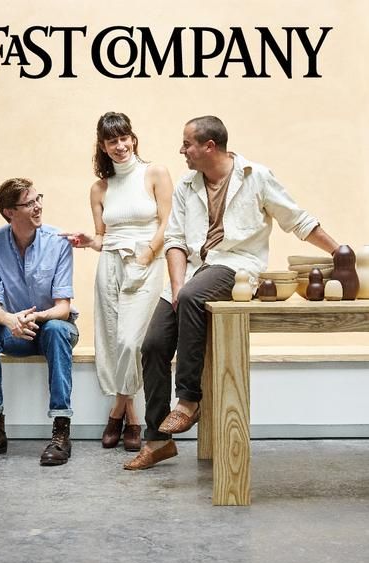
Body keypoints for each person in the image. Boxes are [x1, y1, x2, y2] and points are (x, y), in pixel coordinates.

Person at [124, 115, 339, 470]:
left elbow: (297, 219)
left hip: (236, 265)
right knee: (153, 346)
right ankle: (158, 440)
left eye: (187, 144)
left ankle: (189, 399)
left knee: (193, 295)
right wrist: (176, 286)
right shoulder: (186, 185)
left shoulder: (256, 177)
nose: (182, 150)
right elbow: (175, 241)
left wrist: (339, 252)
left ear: (210, 146)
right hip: (192, 270)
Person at [61, 112, 172, 451]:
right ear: (103, 147)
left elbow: (169, 223)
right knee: (111, 341)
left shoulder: (155, 173)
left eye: (125, 138)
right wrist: (87, 241)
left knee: (130, 342)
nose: (120, 146)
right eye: (112, 141)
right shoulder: (99, 188)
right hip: (110, 264)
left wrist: (147, 254)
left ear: (133, 138)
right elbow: (101, 236)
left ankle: (117, 411)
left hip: (145, 263)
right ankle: (132, 416)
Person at [0, 178, 79, 466]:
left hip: (51, 327)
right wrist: (11, 320)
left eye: (38, 198)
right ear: (9, 212)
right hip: (13, 329)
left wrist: (36, 317)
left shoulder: (58, 242)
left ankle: (61, 432)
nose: (38, 206)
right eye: (29, 203)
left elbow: (63, 308)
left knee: (55, 329)